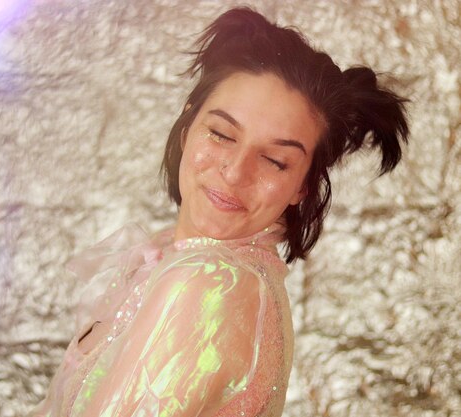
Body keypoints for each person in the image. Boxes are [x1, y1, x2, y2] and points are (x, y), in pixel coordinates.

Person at [28, 6, 409, 417]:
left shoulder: (213, 282)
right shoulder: (188, 259)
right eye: (222, 133)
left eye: (275, 160)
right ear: (189, 124)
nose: (235, 172)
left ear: (303, 185)